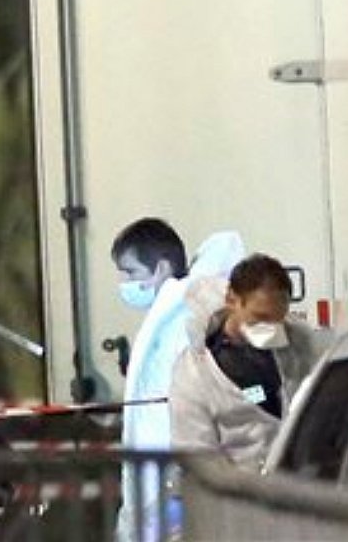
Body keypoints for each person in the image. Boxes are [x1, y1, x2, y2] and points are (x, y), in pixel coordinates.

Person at [110, 218, 245, 541]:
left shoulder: (184, 320)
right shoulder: (170, 318)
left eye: (131, 273)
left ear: (159, 269)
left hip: (176, 484)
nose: (125, 283)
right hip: (164, 485)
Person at [169, 253, 325, 471]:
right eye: (260, 317)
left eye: (277, 319)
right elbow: (197, 457)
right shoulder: (195, 372)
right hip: (236, 494)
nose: (271, 328)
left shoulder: (300, 345)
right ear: (232, 300)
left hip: (298, 487)